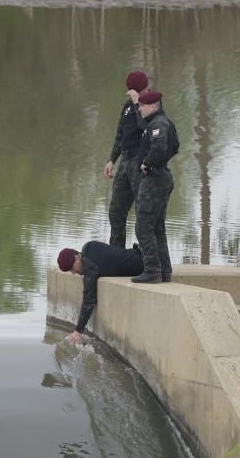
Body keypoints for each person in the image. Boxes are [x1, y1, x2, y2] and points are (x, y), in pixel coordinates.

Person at [131, 89, 179, 284]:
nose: (140, 109)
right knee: (157, 227)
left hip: (155, 180)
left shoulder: (159, 124)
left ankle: (152, 270)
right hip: (161, 178)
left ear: (153, 106)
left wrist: (147, 164)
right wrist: (135, 102)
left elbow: (159, 148)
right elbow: (175, 146)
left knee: (143, 227)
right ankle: (164, 271)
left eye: (142, 106)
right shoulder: (159, 122)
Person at [55, 240, 144, 344]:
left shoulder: (91, 267)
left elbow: (89, 300)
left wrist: (78, 331)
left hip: (142, 266)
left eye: (72, 269)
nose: (74, 273)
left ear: (77, 258)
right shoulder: (89, 245)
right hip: (140, 253)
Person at [104, 70, 150, 247]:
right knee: (116, 211)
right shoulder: (127, 107)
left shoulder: (152, 105)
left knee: (143, 214)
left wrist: (138, 103)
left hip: (141, 163)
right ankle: (116, 253)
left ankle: (147, 261)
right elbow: (120, 134)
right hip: (125, 161)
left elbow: (147, 127)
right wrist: (111, 160)